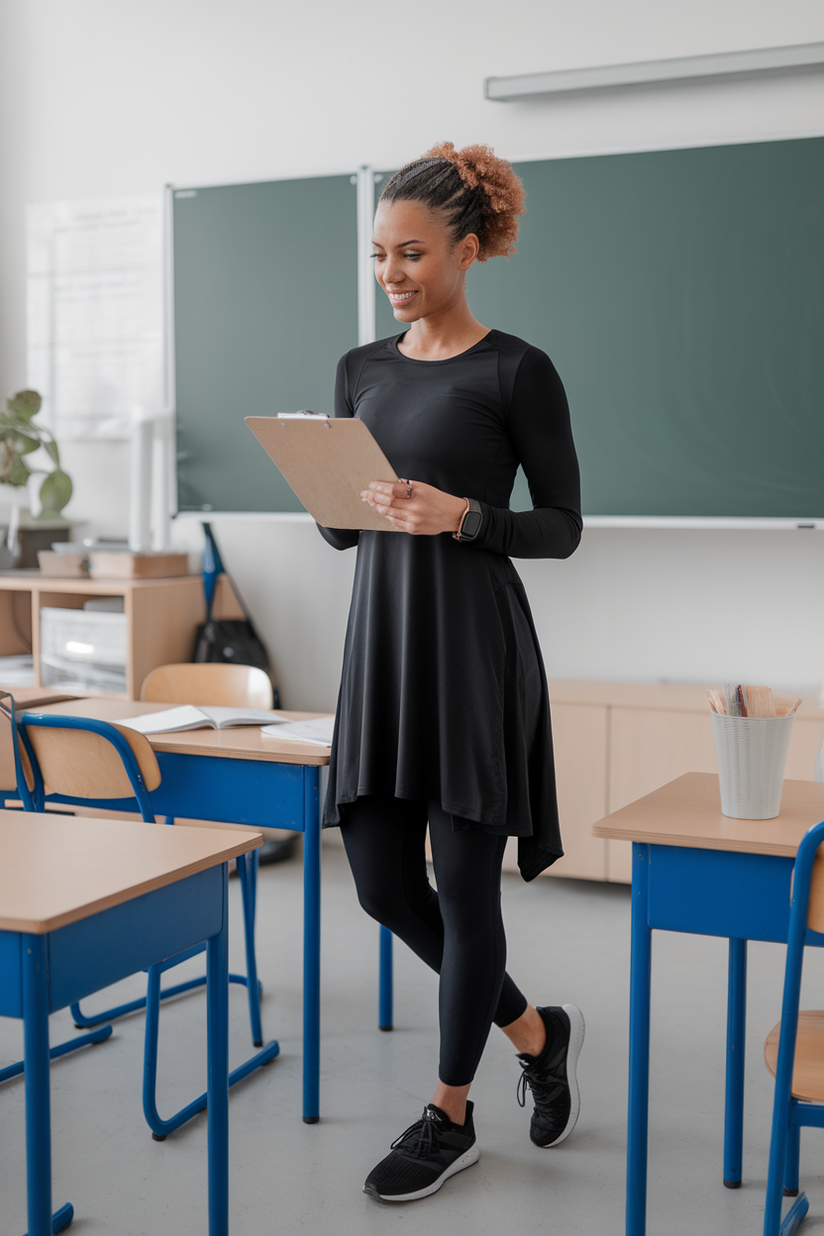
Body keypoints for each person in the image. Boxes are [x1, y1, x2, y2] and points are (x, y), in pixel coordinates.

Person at [318, 141, 584, 1203]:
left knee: (464, 890)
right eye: (380, 253)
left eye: (412, 253)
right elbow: (347, 535)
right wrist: (333, 491)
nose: (390, 272)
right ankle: (533, 1029)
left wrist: (463, 515)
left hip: (473, 650)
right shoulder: (358, 369)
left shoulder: (515, 369)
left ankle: (449, 1112)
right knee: (384, 884)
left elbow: (560, 527)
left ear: (466, 252)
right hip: (380, 644)